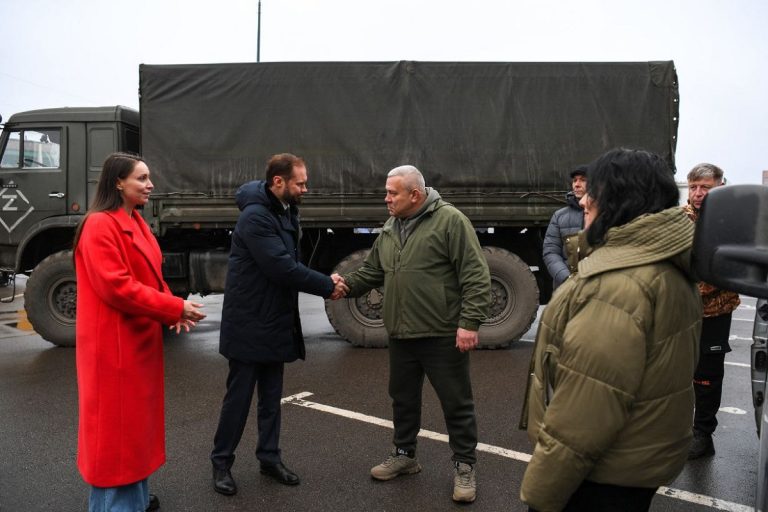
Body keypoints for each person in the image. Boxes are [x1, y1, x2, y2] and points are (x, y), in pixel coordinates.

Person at [520, 148, 702, 512]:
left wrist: (540, 496)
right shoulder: (660, 262)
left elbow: (585, 415)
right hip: (637, 461)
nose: (584, 199)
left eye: (594, 190)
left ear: (619, 201)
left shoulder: (618, 285)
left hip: (602, 474)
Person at [336, 165, 491, 503]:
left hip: (442, 333)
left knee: (456, 403)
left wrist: (470, 323)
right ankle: (405, 456)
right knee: (403, 399)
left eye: (393, 193)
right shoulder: (392, 226)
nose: (386, 198)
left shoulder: (451, 221)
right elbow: (373, 271)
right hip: (402, 333)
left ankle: (465, 466)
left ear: (415, 195)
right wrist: (342, 286)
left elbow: (476, 275)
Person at [74, 152, 206, 512]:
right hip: (114, 352)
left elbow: (151, 277)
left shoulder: (135, 221)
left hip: (133, 345)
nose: (150, 185)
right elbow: (116, 287)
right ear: (118, 182)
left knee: (130, 439)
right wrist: (173, 307)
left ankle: (135, 500)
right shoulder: (101, 225)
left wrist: (170, 308)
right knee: (117, 443)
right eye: (142, 178)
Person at [210, 153, 347, 496]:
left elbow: (289, 266)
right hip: (249, 321)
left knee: (271, 399)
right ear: (278, 182)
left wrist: (323, 280)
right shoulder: (256, 217)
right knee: (238, 400)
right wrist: (327, 285)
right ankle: (221, 463)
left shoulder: (284, 210)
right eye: (300, 182)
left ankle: (269, 458)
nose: (306, 188)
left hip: (273, 319)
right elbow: (282, 267)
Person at [683, 163, 741, 459]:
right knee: (678, 372)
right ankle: (678, 431)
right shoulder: (679, 220)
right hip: (682, 313)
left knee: (707, 376)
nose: (697, 193)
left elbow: (727, 269)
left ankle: (703, 435)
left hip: (716, 313)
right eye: (693, 187)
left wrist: (689, 286)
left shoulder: (730, 222)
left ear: (719, 186)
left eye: (705, 187)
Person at [542, 165, 587, 290]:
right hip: (566, 289)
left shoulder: (605, 214)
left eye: (583, 180)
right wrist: (567, 279)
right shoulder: (559, 216)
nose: (577, 185)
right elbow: (550, 251)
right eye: (574, 180)